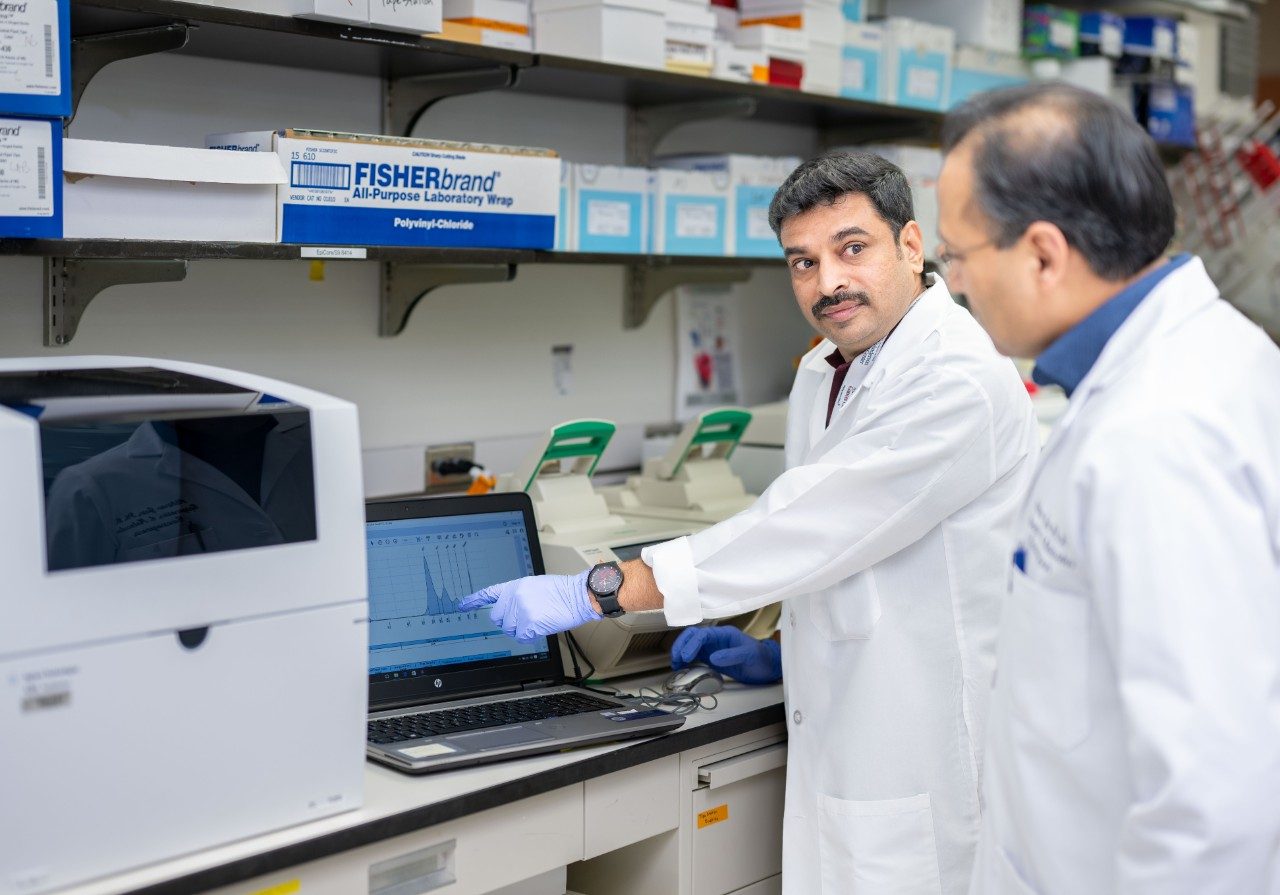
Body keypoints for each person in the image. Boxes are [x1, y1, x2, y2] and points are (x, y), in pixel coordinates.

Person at [462, 152, 1039, 894]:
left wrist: (597, 590)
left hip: (926, 760)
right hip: (848, 736)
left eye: (852, 248)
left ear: (910, 245)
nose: (827, 281)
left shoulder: (955, 378)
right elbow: (839, 552)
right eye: (804, 261)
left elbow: (806, 528)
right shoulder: (825, 369)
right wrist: (786, 648)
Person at [935, 82, 1280, 894]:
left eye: (957, 255)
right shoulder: (1200, 361)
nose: (954, 285)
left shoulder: (1158, 434)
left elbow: (1211, 798)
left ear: (1044, 255)